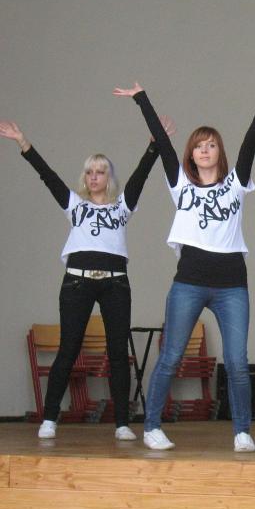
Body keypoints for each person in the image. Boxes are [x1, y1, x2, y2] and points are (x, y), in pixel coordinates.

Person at [114, 74, 255, 451]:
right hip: (190, 281)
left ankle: (243, 431)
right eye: (198, 145)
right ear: (191, 153)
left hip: (232, 285)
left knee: (237, 361)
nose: (204, 150)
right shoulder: (180, 184)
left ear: (219, 153)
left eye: (211, 145)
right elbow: (162, 143)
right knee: (171, 356)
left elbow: (251, 141)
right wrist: (141, 98)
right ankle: (151, 426)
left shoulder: (235, 184)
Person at [0, 117, 171, 440]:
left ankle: (122, 423)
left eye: (100, 172)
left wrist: (153, 146)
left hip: (115, 283)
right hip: (77, 283)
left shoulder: (122, 207)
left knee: (118, 351)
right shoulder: (74, 205)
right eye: (89, 172)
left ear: (108, 177)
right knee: (69, 348)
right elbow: (47, 175)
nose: (94, 177)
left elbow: (141, 176)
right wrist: (23, 142)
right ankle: (49, 418)